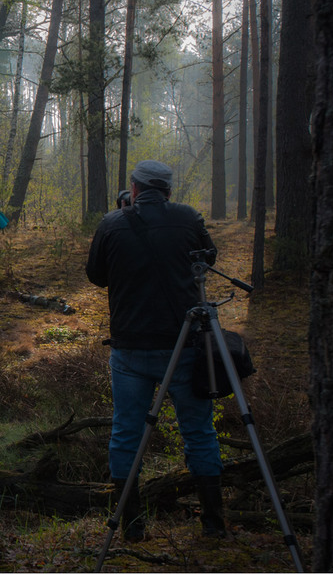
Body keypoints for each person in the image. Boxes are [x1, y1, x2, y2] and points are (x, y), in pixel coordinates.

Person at [86, 160, 226, 542]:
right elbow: (208, 257)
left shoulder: (111, 222)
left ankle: (131, 526)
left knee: (126, 433)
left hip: (130, 347)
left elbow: (96, 275)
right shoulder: (188, 218)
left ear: (134, 188)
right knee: (198, 431)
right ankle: (213, 524)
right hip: (184, 345)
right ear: (167, 190)